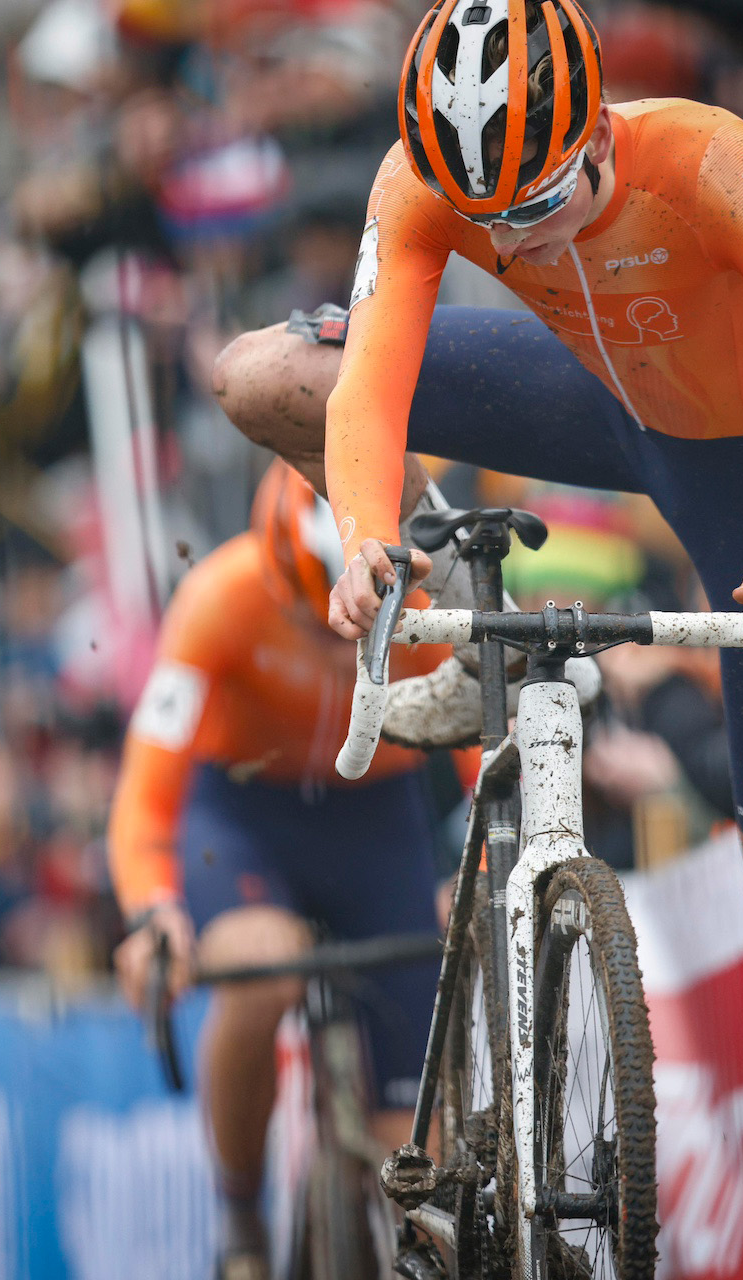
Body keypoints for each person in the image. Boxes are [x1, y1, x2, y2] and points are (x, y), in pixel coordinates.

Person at [210, 2, 743, 1275]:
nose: (514, 235)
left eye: (540, 203)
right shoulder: (427, 178)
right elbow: (369, 385)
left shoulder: (711, 158)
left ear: (596, 129)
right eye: (491, 221)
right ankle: (449, 659)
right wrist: (369, 536)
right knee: (261, 372)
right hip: (599, 393)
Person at [109, 462, 466, 1280]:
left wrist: (476, 868)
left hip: (379, 821)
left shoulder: (423, 599)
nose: (328, 644)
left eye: (348, 626)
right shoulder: (219, 595)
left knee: (406, 1152)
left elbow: (487, 756)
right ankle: (241, 1216)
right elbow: (147, 782)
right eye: (310, 622)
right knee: (257, 971)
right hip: (244, 818)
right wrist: (151, 909)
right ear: (276, 570)